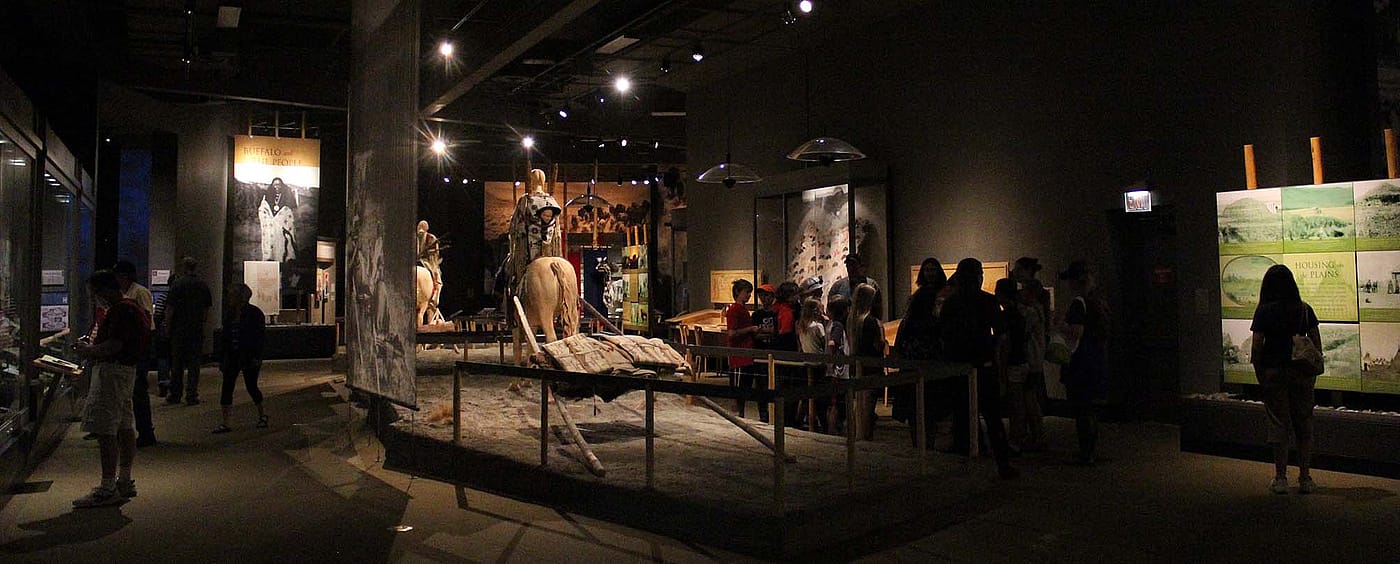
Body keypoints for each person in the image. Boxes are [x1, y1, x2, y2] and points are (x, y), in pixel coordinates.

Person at [71, 270, 150, 507]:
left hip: (112, 373)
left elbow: (114, 345)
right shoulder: (131, 307)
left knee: (106, 430)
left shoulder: (120, 311)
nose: (94, 298)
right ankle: (124, 479)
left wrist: (88, 351)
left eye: (94, 293)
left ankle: (107, 487)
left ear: (105, 290)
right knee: (125, 425)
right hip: (125, 372)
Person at [941, 258, 1017, 479]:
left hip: (960, 367)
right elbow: (1001, 335)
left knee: (964, 416)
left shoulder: (951, 303)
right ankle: (1002, 464)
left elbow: (944, 335)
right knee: (992, 418)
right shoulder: (988, 301)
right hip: (984, 365)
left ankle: (966, 464)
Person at [1250, 264, 1321, 494]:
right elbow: (1316, 344)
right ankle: (1305, 478)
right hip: (1301, 373)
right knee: (1304, 423)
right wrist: (1312, 373)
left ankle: (1281, 478)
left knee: (1279, 424)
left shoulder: (1264, 311)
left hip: (1274, 373)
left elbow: (1256, 347)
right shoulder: (1304, 309)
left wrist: (1261, 375)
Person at [1059, 260, 1109, 466]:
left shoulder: (1078, 303)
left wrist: (1060, 325)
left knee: (1081, 408)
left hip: (1080, 362)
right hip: (1095, 359)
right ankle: (1090, 450)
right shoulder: (1098, 301)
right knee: (1090, 408)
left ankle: (1085, 452)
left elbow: (1076, 332)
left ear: (1075, 281)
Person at [894, 258, 946, 447]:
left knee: (925, 406)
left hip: (926, 357)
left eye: (933, 270)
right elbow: (906, 324)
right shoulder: (918, 298)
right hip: (920, 357)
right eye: (927, 270)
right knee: (919, 405)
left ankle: (924, 443)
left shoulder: (942, 296)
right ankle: (922, 444)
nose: (930, 273)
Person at [213, 284, 267, 433]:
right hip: (232, 355)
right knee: (227, 387)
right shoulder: (231, 314)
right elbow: (225, 337)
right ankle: (226, 422)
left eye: (233, 295)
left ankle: (262, 415)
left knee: (251, 386)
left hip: (248, 355)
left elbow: (259, 337)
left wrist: (257, 356)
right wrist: (222, 357)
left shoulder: (254, 313)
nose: (230, 297)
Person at [114, 260, 157, 447]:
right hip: (131, 346)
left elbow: (146, 319)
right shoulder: (125, 292)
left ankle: (146, 431)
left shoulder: (139, 292)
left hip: (139, 346)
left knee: (138, 389)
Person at [165, 256, 212, 405]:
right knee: (194, 364)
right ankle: (192, 394)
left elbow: (170, 308)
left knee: (177, 364)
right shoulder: (202, 285)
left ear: (184, 267)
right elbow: (206, 309)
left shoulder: (177, 284)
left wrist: (168, 327)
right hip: (196, 329)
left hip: (179, 329)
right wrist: (201, 323)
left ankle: (175, 394)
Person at [848, 283, 885, 441]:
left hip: (857, 366)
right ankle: (865, 439)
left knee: (859, 406)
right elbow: (878, 346)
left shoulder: (852, 320)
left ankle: (858, 437)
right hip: (872, 367)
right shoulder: (871, 321)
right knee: (868, 408)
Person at [724, 279, 764, 421]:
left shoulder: (743, 310)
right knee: (738, 390)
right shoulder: (734, 310)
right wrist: (750, 329)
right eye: (746, 292)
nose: (749, 295)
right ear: (738, 292)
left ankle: (741, 417)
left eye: (750, 292)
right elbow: (732, 333)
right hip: (739, 357)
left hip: (746, 355)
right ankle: (737, 418)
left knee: (745, 388)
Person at [797, 297, 827, 431]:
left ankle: (801, 420)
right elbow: (824, 342)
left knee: (806, 396)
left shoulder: (801, 326)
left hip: (806, 363)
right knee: (820, 396)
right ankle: (822, 423)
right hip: (818, 363)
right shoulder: (818, 326)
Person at [825, 297, 852, 434]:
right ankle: (834, 429)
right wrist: (836, 358)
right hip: (838, 369)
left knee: (835, 400)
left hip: (833, 367)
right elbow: (832, 343)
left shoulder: (830, 324)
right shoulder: (838, 326)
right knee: (837, 401)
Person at [828, 254, 882, 318]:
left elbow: (878, 309)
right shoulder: (838, 286)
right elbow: (830, 309)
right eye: (848, 266)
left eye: (853, 265)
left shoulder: (872, 285)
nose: (851, 269)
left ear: (860, 266)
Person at [259, 177, 297, 261]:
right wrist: (268, 219)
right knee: (270, 245)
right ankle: (269, 260)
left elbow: (289, 213)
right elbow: (262, 210)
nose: (277, 187)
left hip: (281, 227)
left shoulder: (286, 197)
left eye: (279, 185)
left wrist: (281, 219)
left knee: (282, 245)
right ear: (272, 186)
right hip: (270, 227)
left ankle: (283, 261)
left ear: (282, 186)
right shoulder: (267, 196)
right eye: (275, 184)